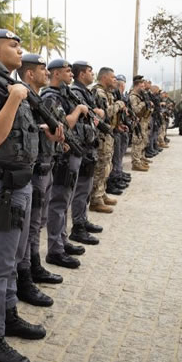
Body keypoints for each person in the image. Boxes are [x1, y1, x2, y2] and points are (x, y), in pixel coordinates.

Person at [0, 29, 57, 362]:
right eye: (13, 46)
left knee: (14, 256)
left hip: (22, 183)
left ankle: (7, 317)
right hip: (2, 186)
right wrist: (15, 99)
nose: (20, 51)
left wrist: (48, 129)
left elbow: (25, 131)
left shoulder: (10, 86)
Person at [14, 53, 63, 307]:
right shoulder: (23, 99)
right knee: (29, 226)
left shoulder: (36, 100)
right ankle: (25, 277)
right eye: (43, 69)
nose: (47, 73)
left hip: (45, 165)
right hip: (31, 171)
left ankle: (34, 266)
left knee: (38, 222)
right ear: (30, 74)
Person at [42, 59, 89, 270]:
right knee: (58, 202)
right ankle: (55, 250)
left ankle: (61, 240)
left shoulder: (64, 95)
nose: (71, 74)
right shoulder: (50, 96)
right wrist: (78, 110)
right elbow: (64, 124)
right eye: (67, 71)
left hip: (71, 154)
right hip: (61, 158)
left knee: (66, 200)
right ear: (56, 74)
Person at [68, 61, 106, 243]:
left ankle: (82, 220)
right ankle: (78, 226)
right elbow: (80, 117)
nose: (93, 74)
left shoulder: (85, 92)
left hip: (88, 145)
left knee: (86, 187)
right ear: (82, 74)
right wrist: (95, 112)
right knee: (81, 189)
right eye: (90, 71)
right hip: (81, 146)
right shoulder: (76, 92)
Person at [90, 67, 125, 213]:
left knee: (107, 166)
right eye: (113, 78)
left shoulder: (107, 93)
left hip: (108, 134)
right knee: (101, 166)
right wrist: (119, 105)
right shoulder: (98, 92)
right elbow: (104, 114)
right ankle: (96, 199)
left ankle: (101, 193)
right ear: (104, 78)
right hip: (101, 136)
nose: (115, 81)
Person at [107, 75, 131, 195]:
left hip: (115, 129)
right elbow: (107, 113)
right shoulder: (103, 93)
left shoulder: (115, 95)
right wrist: (119, 105)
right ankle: (112, 180)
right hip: (109, 132)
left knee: (118, 155)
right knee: (111, 159)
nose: (114, 81)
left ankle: (117, 175)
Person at [129, 76, 151, 171]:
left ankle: (139, 159)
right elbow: (135, 110)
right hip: (136, 122)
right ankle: (136, 162)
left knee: (142, 141)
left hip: (142, 121)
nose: (143, 88)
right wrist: (143, 103)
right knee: (137, 142)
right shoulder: (133, 96)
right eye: (141, 86)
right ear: (137, 86)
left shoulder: (140, 96)